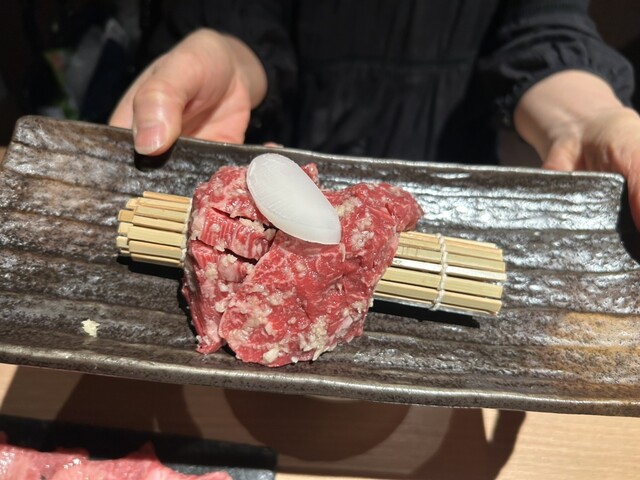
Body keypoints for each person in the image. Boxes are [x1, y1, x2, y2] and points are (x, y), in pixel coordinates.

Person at [110, 0, 640, 227]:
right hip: (283, 155)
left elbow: (542, 27)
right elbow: (244, 14)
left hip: (446, 179)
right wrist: (228, 52)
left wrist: (583, 121)